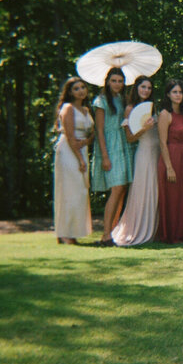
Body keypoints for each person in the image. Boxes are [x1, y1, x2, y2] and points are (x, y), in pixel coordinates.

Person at [111, 76, 159, 246]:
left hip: (157, 153)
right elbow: (130, 138)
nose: (146, 90)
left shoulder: (153, 108)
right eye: (143, 87)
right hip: (144, 153)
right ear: (136, 88)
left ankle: (155, 229)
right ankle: (137, 229)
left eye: (149, 88)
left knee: (156, 191)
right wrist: (143, 128)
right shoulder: (130, 109)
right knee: (142, 191)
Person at [91, 67, 133, 245]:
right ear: (107, 82)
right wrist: (105, 156)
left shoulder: (122, 100)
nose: (117, 84)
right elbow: (99, 130)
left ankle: (112, 230)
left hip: (123, 144)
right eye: (114, 80)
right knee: (115, 189)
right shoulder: (101, 101)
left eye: (120, 81)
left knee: (122, 189)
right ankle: (105, 234)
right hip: (109, 145)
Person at [53, 77, 94, 244]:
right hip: (69, 152)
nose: (81, 91)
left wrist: (86, 142)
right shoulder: (68, 108)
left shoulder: (86, 110)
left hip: (82, 148)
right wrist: (80, 159)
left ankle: (73, 232)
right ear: (70, 92)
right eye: (76, 88)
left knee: (80, 192)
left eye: (83, 87)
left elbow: (91, 134)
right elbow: (70, 136)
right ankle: (64, 234)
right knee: (69, 191)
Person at [156, 79, 183, 243]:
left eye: (180, 92)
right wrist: (169, 167)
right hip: (171, 157)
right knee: (173, 197)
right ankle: (172, 234)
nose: (178, 95)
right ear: (168, 94)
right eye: (174, 92)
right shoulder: (165, 114)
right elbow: (162, 142)